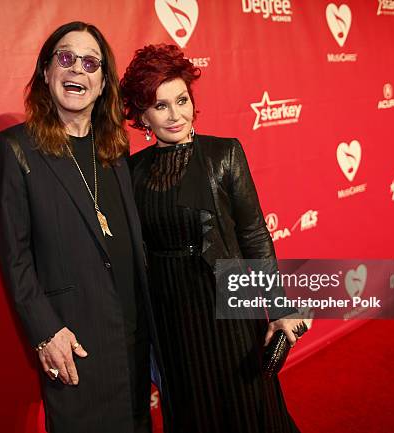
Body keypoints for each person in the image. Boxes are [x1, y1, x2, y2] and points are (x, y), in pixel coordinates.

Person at [0, 22, 163, 433]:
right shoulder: (13, 149)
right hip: (75, 341)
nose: (76, 69)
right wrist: (46, 333)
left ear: (102, 84)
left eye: (89, 62)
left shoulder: (114, 151)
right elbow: (15, 258)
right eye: (65, 58)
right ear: (46, 72)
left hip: (135, 334)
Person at [121, 44, 306, 433]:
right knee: (193, 408)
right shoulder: (132, 171)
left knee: (247, 405)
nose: (176, 115)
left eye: (182, 100)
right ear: (142, 115)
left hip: (228, 305)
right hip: (170, 313)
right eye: (160, 106)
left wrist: (279, 307)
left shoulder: (224, 154)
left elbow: (254, 235)